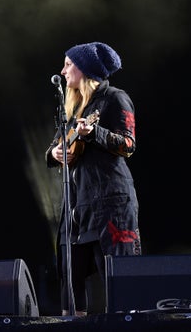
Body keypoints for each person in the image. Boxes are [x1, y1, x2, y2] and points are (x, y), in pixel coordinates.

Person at [45, 42, 142, 316]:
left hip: (111, 207)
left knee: (122, 288)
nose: (63, 71)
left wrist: (94, 134)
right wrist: (54, 152)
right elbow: (52, 152)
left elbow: (128, 144)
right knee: (70, 291)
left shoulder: (115, 98)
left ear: (85, 69)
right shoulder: (74, 110)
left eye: (68, 64)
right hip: (78, 211)